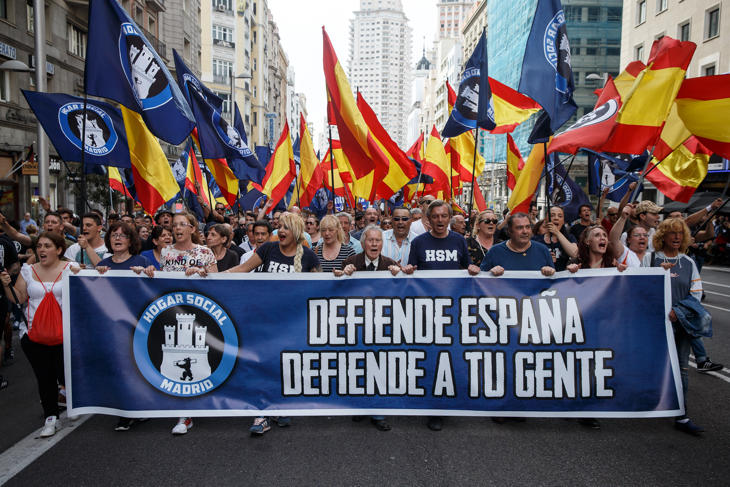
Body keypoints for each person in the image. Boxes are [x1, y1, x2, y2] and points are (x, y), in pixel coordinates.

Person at [226, 213, 319, 435]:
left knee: (284, 365)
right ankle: (261, 413)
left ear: (296, 231)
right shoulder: (268, 249)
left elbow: (320, 288)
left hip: (292, 324)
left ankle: (279, 405)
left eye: (286, 227)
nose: (281, 231)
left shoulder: (308, 256)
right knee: (263, 364)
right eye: (279, 227)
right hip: (265, 320)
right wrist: (212, 277)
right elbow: (242, 270)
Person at [402, 200, 478, 432]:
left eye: (444, 216)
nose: (440, 220)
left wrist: (474, 269)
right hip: (426, 311)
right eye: (435, 216)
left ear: (450, 218)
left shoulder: (458, 242)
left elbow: (468, 269)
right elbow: (411, 271)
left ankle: (447, 404)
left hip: (452, 310)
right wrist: (408, 271)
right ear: (429, 219)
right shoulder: (418, 242)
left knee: (451, 358)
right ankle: (433, 406)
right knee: (431, 358)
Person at [1, 232, 78, 437]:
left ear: (59, 250)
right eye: (40, 246)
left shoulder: (71, 269)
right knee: (44, 377)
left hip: (65, 335)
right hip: (35, 335)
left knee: (64, 374)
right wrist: (6, 283)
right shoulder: (28, 271)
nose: (42, 250)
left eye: (47, 246)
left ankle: (73, 399)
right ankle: (51, 417)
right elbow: (19, 298)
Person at [644, 218, 707, 436]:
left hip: (681, 326)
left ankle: (682, 415)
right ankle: (652, 405)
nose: (677, 237)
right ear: (663, 236)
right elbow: (641, 289)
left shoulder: (688, 262)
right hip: (655, 327)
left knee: (682, 369)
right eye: (672, 233)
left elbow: (696, 294)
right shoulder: (650, 259)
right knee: (654, 367)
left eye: (681, 233)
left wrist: (677, 312)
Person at [157, 212, 218, 435]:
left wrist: (202, 273)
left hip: (199, 314)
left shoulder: (204, 252)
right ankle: (184, 410)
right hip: (173, 314)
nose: (177, 228)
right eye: (174, 225)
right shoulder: (166, 252)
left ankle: (191, 407)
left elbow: (217, 282)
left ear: (193, 229)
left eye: (183, 224)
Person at [481, 213, 555, 276]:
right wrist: (490, 274)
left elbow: (554, 283)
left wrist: (550, 272)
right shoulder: (494, 252)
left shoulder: (543, 250)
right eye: (519, 228)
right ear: (509, 231)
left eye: (528, 227)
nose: (525, 231)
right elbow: (480, 281)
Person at [534, 207, 578, 272]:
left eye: (560, 216)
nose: (556, 218)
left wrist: (557, 232)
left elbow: (574, 253)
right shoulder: (536, 239)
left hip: (561, 279)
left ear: (563, 221)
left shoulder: (569, 238)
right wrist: (547, 260)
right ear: (546, 220)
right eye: (552, 215)